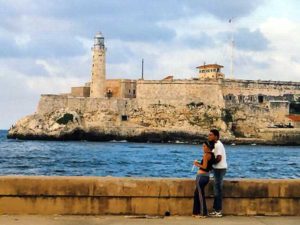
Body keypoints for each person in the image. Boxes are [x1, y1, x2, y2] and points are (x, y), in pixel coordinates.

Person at [192, 141, 215, 218]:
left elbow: (204, 167)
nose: (203, 148)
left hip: (201, 177)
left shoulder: (206, 155)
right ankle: (196, 212)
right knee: (196, 194)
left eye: (204, 146)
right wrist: (199, 162)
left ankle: (203, 213)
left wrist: (196, 164)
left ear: (208, 147)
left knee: (200, 195)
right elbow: (208, 166)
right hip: (206, 176)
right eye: (203, 146)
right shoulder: (212, 155)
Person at [208, 129, 227, 217]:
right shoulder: (215, 145)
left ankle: (218, 211)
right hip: (217, 169)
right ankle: (216, 210)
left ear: (216, 136)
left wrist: (211, 163)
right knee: (216, 190)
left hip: (220, 169)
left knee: (218, 190)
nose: (209, 136)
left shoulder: (218, 145)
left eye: (211, 135)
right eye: (209, 135)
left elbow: (219, 158)